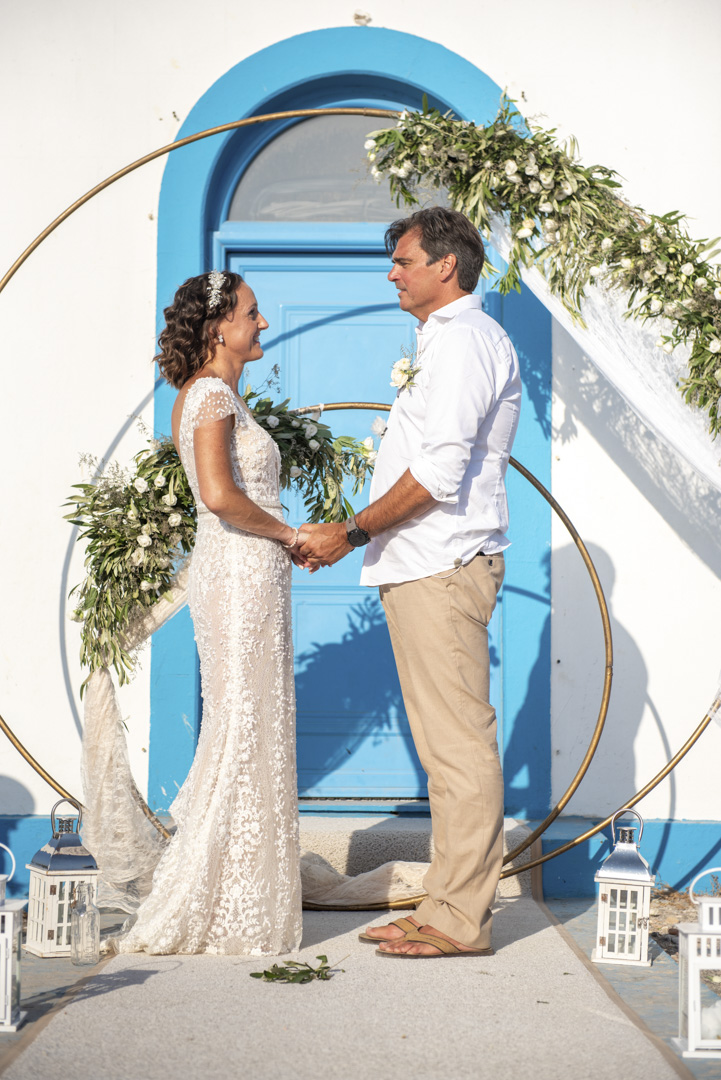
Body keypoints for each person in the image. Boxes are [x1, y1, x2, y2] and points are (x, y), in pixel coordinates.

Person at [299, 207, 521, 958]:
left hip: (441, 561)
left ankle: (460, 921)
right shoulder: (445, 341)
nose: (391, 272)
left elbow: (439, 471)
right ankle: (442, 905)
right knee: (443, 750)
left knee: (458, 749)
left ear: (445, 267)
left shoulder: (464, 344)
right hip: (420, 562)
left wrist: (350, 530)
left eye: (402, 260)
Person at [116, 270, 308, 955]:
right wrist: (291, 535)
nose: (263, 324)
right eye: (253, 313)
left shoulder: (215, 394)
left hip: (245, 569)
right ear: (219, 326)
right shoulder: (210, 394)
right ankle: (215, 893)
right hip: (239, 568)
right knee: (244, 721)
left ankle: (240, 888)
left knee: (252, 719)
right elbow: (222, 497)